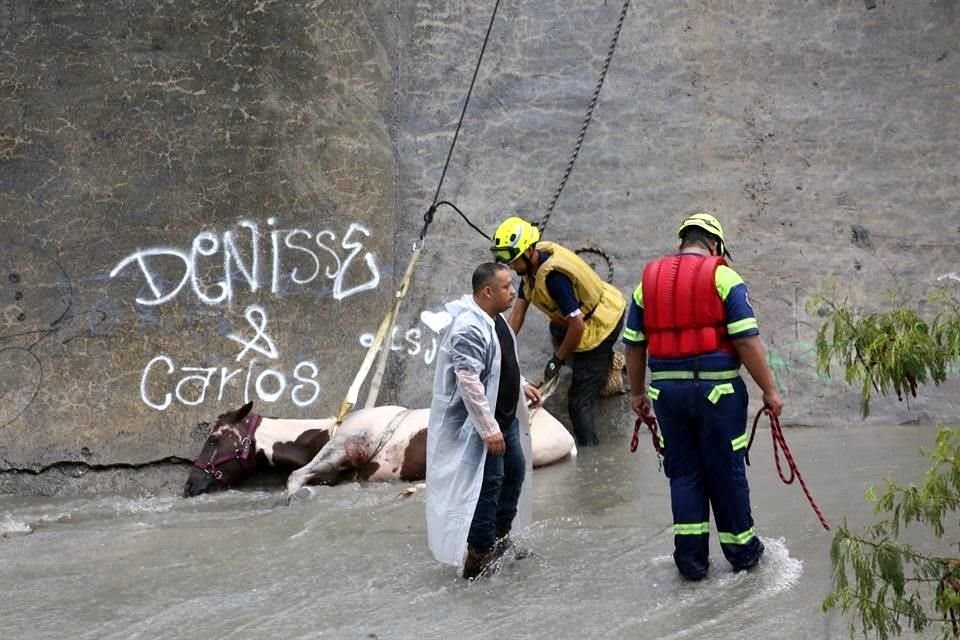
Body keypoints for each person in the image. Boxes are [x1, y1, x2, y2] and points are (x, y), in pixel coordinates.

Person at [623, 211, 784, 581]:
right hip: (719, 394)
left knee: (684, 476)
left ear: (682, 242)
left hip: (667, 396)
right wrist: (770, 391)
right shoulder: (723, 276)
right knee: (725, 473)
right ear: (715, 245)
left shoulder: (647, 283)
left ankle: (692, 563)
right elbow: (745, 339)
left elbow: (633, 346)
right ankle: (743, 553)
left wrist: (636, 394)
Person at [425, 262, 543, 580]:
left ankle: (499, 544)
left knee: (514, 476)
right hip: (481, 428)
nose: (513, 291)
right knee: (487, 487)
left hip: (506, 421)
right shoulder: (469, 327)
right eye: (507, 286)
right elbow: (469, 381)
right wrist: (489, 429)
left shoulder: (496, 321)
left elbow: (497, 365)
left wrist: (521, 384)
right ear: (487, 291)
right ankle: (477, 560)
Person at [491, 216, 626, 446]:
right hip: (580, 317)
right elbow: (518, 314)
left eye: (513, 260)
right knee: (556, 328)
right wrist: (500, 347)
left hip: (601, 324)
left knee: (577, 403)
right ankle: (598, 365)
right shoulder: (532, 269)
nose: (511, 267)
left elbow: (578, 326)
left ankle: (590, 456)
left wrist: (557, 360)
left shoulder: (554, 279)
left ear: (528, 251)